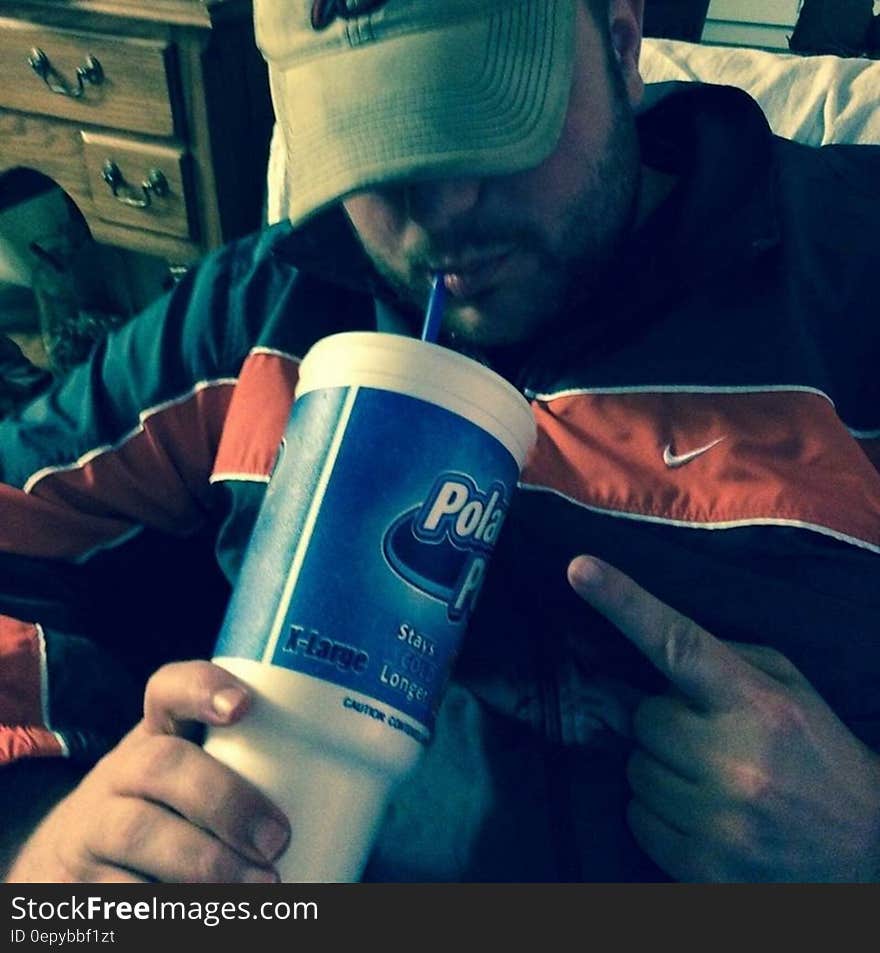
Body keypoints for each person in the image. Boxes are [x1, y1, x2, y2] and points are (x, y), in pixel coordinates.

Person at [1, 0, 879, 883]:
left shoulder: (847, 284)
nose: (442, 211)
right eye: (378, 139)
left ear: (620, 39)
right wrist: (40, 831)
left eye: (489, 124)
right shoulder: (252, 321)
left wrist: (865, 836)